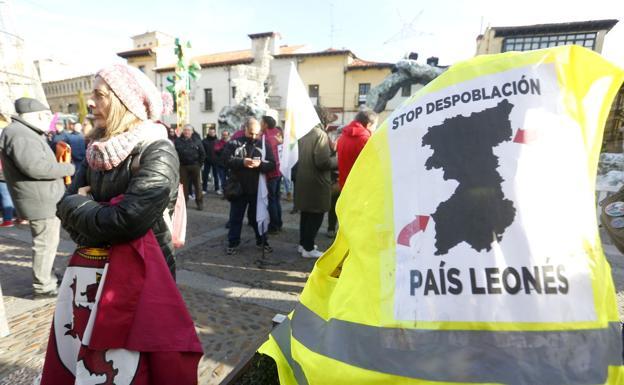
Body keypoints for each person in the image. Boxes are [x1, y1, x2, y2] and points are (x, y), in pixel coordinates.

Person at [0, 98, 75, 297]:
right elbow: (35, 167)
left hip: (41, 199)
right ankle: (44, 286)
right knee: (45, 244)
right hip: (40, 201)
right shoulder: (19, 134)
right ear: (40, 115)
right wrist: (68, 168)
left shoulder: (20, 132)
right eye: (47, 117)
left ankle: (46, 276)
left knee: (47, 243)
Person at [223, 117, 275, 255]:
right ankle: (233, 243)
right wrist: (242, 162)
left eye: (256, 134)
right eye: (251, 133)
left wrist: (260, 165)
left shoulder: (264, 145)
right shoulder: (234, 143)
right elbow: (225, 160)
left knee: (258, 217)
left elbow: (272, 164)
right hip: (239, 188)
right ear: (245, 129)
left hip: (257, 189)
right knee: (235, 218)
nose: (253, 136)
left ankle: (262, 241)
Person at [294, 116, 337, 259]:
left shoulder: (303, 134)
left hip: (303, 180)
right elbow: (323, 162)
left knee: (306, 214)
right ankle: (309, 247)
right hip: (317, 183)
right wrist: (337, 160)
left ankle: (303, 244)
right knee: (316, 215)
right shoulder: (320, 135)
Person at [337, 108, 378, 189]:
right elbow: (373, 166)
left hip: (344, 185)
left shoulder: (343, 136)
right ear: (369, 125)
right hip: (360, 187)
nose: (375, 129)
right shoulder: (366, 140)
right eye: (375, 126)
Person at [261, 116, 283, 234]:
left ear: (265, 124)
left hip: (271, 171)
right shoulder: (278, 133)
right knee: (277, 198)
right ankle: (279, 223)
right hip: (279, 170)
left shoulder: (265, 137)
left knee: (272, 199)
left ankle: (274, 225)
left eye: (261, 122)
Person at [175, 124, 206, 210]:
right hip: (183, 166)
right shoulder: (177, 141)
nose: (186, 132)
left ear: (192, 131)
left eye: (188, 130)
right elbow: (175, 153)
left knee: (198, 186)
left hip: (195, 165)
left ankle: (199, 203)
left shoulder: (197, 141)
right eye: (185, 130)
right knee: (183, 186)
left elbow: (203, 154)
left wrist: (199, 164)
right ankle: (184, 202)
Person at [202, 127, 220, 193]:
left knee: (216, 176)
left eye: (213, 132)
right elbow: (202, 151)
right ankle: (204, 189)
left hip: (215, 161)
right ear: (208, 132)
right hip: (207, 160)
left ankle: (217, 189)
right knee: (205, 176)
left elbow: (220, 151)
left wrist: (218, 158)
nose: (211, 133)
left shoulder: (218, 141)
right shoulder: (204, 141)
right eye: (210, 132)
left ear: (215, 132)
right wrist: (205, 158)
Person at [214, 129, 230, 195]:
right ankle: (225, 193)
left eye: (226, 135)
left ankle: (229, 191)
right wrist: (224, 148)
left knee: (229, 180)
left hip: (229, 164)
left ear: (228, 135)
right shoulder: (218, 142)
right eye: (223, 135)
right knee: (222, 180)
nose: (224, 136)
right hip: (221, 165)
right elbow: (216, 150)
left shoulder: (231, 143)